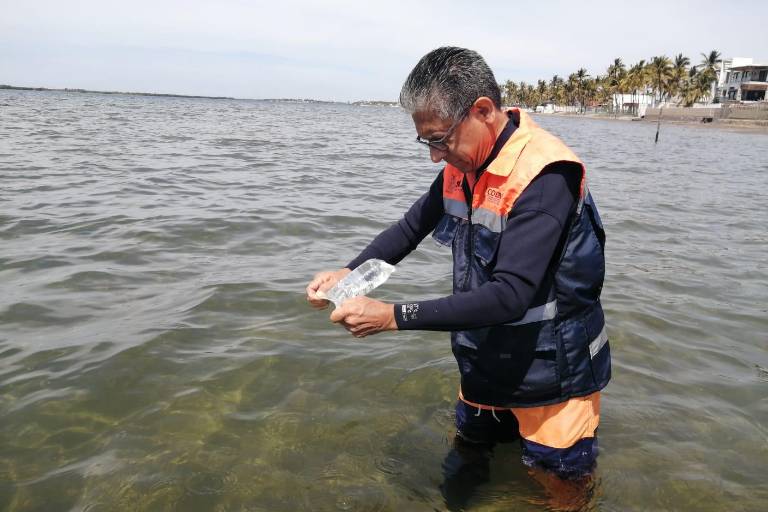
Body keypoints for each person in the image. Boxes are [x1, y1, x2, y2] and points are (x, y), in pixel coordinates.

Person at [306, 47, 610, 502]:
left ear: (483, 112)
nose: (434, 157)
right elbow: (410, 229)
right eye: (425, 142)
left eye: (440, 139)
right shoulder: (461, 165)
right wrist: (346, 274)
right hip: (484, 359)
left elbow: (510, 295)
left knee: (560, 486)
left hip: (553, 372)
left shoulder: (546, 176)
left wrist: (392, 316)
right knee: (465, 466)